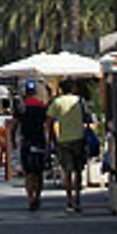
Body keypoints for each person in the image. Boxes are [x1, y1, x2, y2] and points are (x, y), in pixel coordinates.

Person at [47, 78, 87, 213]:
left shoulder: (57, 102)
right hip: (79, 138)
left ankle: (69, 200)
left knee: (67, 172)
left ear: (61, 90)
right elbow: (86, 118)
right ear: (74, 88)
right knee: (79, 171)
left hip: (63, 140)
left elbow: (49, 121)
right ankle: (78, 199)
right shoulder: (80, 101)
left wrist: (51, 137)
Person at [16, 80, 49, 211]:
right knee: (39, 172)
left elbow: (14, 124)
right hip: (39, 141)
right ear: (35, 92)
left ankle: (30, 198)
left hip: (26, 141)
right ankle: (38, 197)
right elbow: (46, 125)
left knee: (28, 172)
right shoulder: (42, 107)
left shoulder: (21, 107)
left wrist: (12, 140)